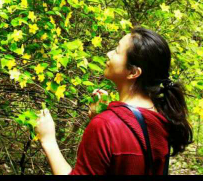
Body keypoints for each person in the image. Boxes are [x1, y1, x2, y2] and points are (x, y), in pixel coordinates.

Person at [35, 26, 193, 175]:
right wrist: (100, 119)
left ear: (133, 72)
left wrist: (48, 141)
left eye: (117, 51)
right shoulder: (161, 118)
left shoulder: (106, 125)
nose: (109, 54)